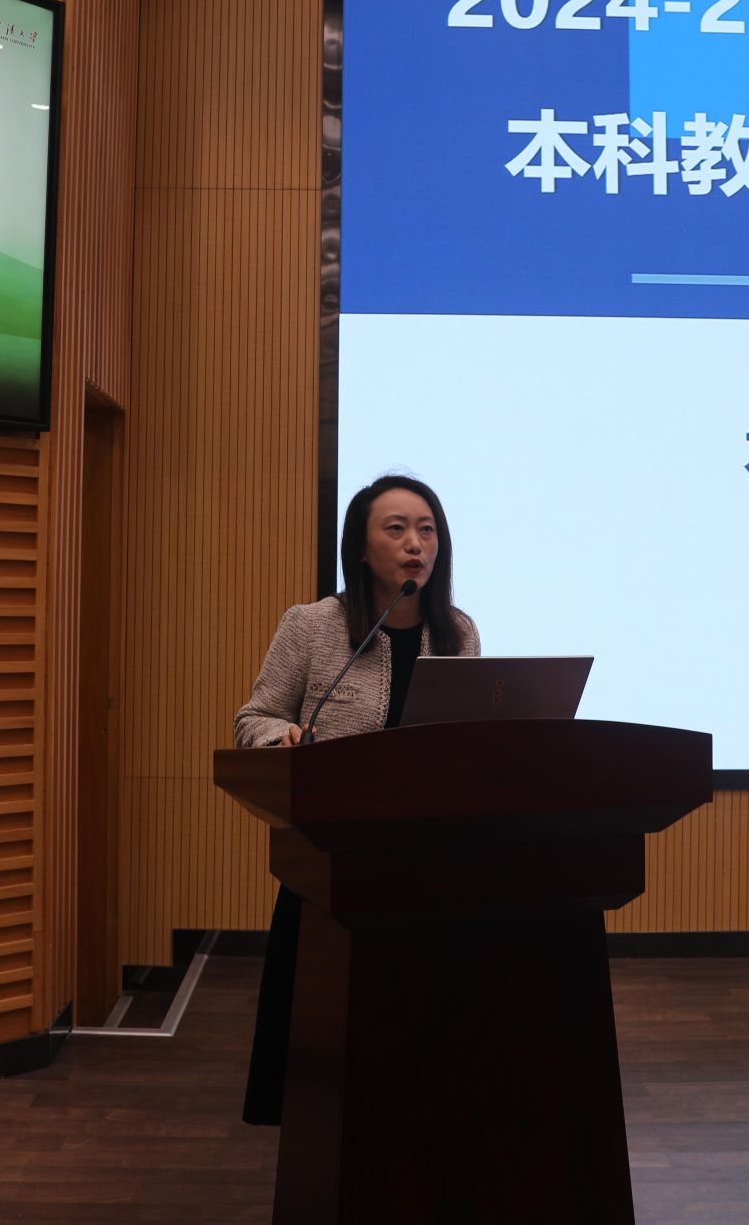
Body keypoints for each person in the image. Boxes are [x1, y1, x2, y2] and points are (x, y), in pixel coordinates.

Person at [232, 474, 480, 1125]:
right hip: (331, 859)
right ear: (362, 549)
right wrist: (282, 736)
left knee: (414, 1046)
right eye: (396, 529)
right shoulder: (313, 626)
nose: (415, 544)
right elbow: (253, 718)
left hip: (426, 863)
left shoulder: (457, 633)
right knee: (325, 1054)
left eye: (427, 530)